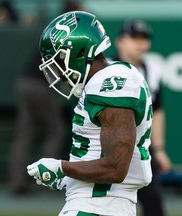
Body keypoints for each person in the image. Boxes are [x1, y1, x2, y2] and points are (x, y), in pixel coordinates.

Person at [27, 11, 153, 215]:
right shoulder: (107, 78)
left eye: (59, 61)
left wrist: (61, 167)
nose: (58, 71)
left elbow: (116, 167)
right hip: (100, 205)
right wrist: (66, 177)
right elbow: (99, 151)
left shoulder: (111, 84)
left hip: (97, 206)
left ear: (77, 53)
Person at [112, 19, 172, 216]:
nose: (140, 44)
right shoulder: (106, 69)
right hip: (109, 149)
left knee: (154, 203)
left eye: (144, 39)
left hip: (142, 149)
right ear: (120, 41)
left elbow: (158, 110)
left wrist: (159, 149)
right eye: (134, 38)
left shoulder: (152, 70)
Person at [9, 51, 67, 195]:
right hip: (39, 84)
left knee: (24, 135)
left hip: (24, 83)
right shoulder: (63, 39)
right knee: (57, 131)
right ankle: (45, 178)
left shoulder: (50, 36)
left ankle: (18, 182)